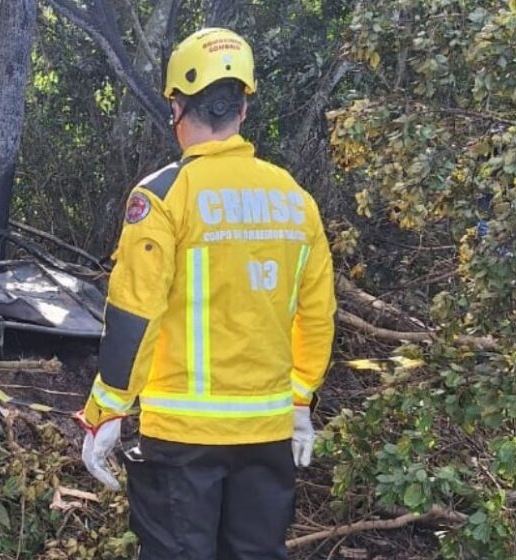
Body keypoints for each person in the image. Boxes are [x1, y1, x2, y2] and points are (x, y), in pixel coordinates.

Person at [75, 27, 337, 559]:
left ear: (176, 106)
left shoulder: (163, 196)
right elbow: (317, 315)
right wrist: (299, 400)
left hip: (183, 439)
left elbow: (135, 314)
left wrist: (107, 409)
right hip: (267, 434)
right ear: (243, 108)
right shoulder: (296, 200)